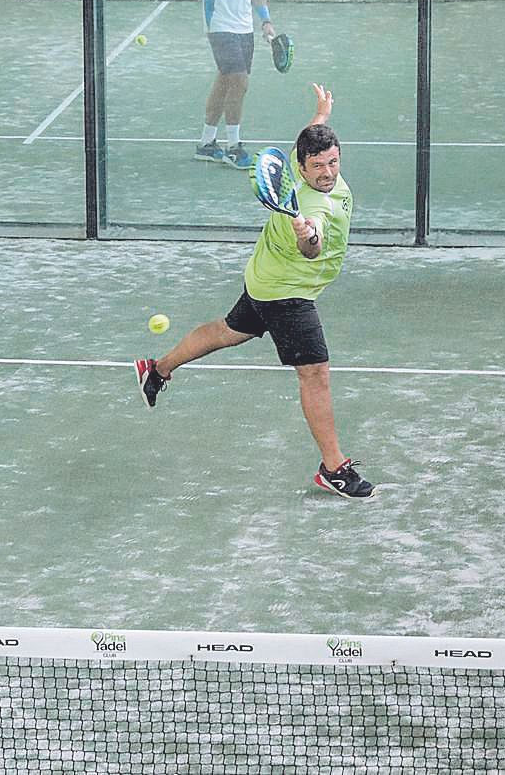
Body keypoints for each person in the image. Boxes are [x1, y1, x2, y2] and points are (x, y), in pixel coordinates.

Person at [134, 83, 374, 499]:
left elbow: (311, 140)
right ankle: (334, 468)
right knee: (314, 374)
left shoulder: (311, 166)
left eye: (333, 163)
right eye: (318, 166)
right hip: (287, 293)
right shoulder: (310, 208)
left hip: (262, 278)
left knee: (227, 331)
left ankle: (157, 368)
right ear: (301, 169)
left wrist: (321, 115)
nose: (328, 173)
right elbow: (311, 248)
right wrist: (307, 234)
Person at [184, 0, 277, 171]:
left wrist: (266, 21)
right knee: (240, 82)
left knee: (225, 82)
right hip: (220, 25)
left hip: (244, 27)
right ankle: (233, 148)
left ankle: (206, 143)